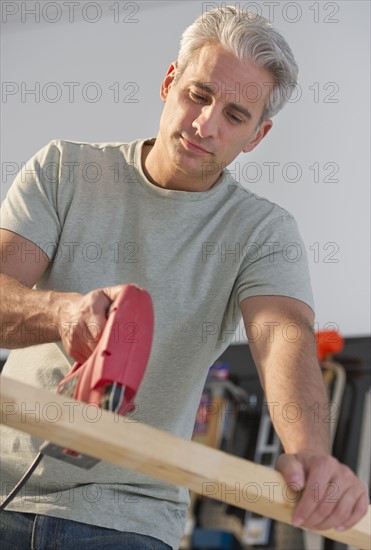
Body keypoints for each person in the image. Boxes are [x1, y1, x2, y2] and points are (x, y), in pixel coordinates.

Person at [0, 5, 368, 549]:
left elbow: (283, 336)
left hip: (127, 517)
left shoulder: (262, 231)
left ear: (257, 135)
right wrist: (62, 313)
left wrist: (310, 451)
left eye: (235, 115)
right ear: (170, 81)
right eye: (199, 95)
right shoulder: (65, 170)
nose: (205, 124)